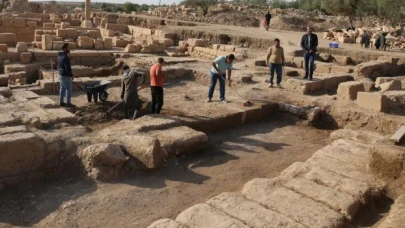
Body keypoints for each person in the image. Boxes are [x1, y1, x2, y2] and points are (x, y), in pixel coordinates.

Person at [58, 43, 75, 107]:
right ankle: (68, 103)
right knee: (68, 89)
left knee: (62, 88)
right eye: (68, 47)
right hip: (65, 75)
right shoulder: (65, 57)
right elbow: (67, 68)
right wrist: (71, 75)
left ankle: (61, 102)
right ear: (65, 49)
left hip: (60, 74)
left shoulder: (59, 56)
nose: (69, 48)